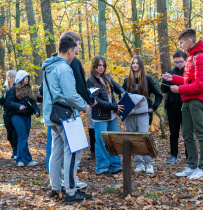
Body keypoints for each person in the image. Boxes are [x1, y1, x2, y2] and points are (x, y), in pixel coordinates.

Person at [42, 35, 92, 204]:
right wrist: (84, 106)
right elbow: (70, 94)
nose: (75, 56)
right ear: (69, 51)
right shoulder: (63, 68)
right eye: (75, 52)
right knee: (73, 150)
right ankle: (71, 192)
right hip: (64, 116)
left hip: (52, 115)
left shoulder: (49, 66)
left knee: (56, 152)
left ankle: (55, 188)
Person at [161, 28, 203, 179]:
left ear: (190, 41)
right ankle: (192, 166)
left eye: (182, 42)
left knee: (201, 134)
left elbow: (201, 85)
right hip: (187, 100)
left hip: (198, 101)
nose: (181, 45)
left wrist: (180, 89)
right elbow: (188, 80)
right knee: (187, 134)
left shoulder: (202, 57)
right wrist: (173, 79)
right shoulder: (192, 57)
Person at [122, 55, 163, 174]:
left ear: (140, 65)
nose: (135, 65)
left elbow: (158, 95)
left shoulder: (147, 79)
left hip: (143, 114)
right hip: (130, 114)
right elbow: (122, 96)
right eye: (133, 63)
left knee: (144, 137)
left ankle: (149, 164)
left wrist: (153, 107)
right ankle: (139, 164)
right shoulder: (126, 81)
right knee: (132, 138)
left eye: (137, 63)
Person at [87, 55, 124, 175]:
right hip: (99, 116)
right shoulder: (90, 81)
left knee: (114, 140)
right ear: (94, 66)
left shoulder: (107, 77)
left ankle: (115, 165)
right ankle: (102, 167)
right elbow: (96, 101)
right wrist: (115, 106)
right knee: (101, 142)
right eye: (98, 65)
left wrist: (122, 92)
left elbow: (117, 86)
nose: (101, 68)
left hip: (112, 115)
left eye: (103, 65)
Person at [6, 70, 40, 167]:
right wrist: (18, 106)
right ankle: (27, 160)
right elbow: (9, 103)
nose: (27, 79)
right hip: (17, 116)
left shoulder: (28, 89)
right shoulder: (12, 90)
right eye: (25, 77)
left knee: (23, 137)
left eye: (28, 78)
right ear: (20, 78)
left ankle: (19, 159)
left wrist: (36, 111)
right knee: (23, 136)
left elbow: (32, 102)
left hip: (27, 116)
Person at [161, 50, 188, 164]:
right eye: (176, 62)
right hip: (172, 107)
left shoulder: (189, 73)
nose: (178, 64)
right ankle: (173, 154)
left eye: (180, 62)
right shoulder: (171, 72)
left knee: (187, 133)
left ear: (186, 60)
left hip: (186, 107)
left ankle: (189, 155)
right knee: (173, 132)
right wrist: (165, 80)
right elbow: (163, 90)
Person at [0, 70, 18, 160]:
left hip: (14, 115)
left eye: (9, 76)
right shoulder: (5, 88)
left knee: (15, 136)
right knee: (9, 136)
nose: (7, 78)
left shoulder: (17, 88)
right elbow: (2, 101)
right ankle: (14, 151)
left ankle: (16, 153)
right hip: (6, 115)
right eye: (6, 76)